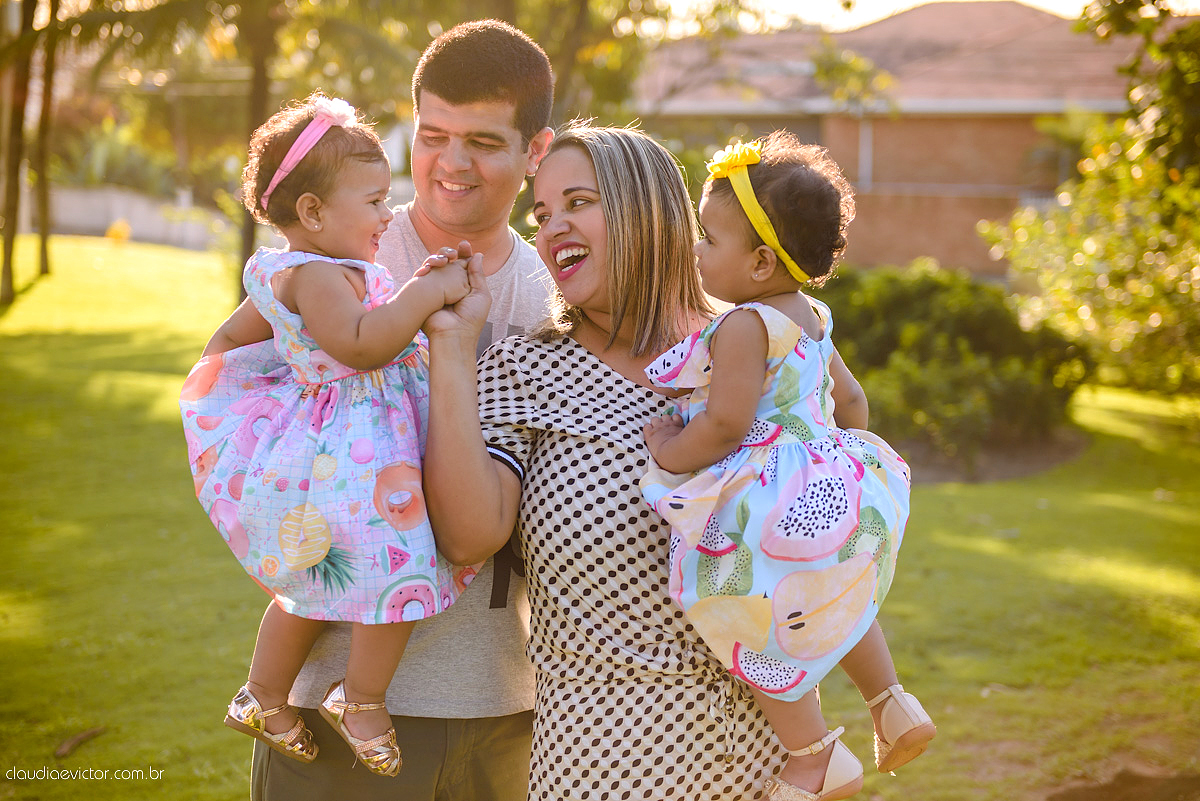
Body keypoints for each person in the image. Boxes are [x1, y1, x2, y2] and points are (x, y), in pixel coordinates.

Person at [201, 20, 556, 801]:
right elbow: (237, 376)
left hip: (508, 703)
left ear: (536, 151)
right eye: (433, 135)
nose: (451, 164)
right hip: (338, 715)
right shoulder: (343, 249)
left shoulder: (555, 287)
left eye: (485, 143)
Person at [421, 122, 786, 799]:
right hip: (597, 760)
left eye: (579, 202)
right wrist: (451, 343)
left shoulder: (755, 345)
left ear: (648, 211)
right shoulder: (525, 367)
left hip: (758, 758)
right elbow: (470, 534)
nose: (553, 225)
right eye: (542, 213)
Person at [180, 92, 475, 778]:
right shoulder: (313, 275)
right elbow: (364, 344)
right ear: (311, 213)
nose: (388, 214)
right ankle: (361, 698)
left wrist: (226, 367)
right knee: (400, 564)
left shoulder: (301, 273)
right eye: (373, 201)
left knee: (311, 583)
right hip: (355, 458)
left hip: (346, 452)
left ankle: (263, 694)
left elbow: (233, 336)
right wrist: (426, 296)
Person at [638, 131, 935, 800]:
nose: (696, 250)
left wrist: (667, 451)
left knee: (754, 607)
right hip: (826, 469)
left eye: (710, 239)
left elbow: (725, 422)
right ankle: (891, 702)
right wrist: (832, 465)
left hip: (766, 497)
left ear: (762, 262)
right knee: (837, 585)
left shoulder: (743, 323)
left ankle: (812, 753)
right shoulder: (816, 318)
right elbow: (852, 399)